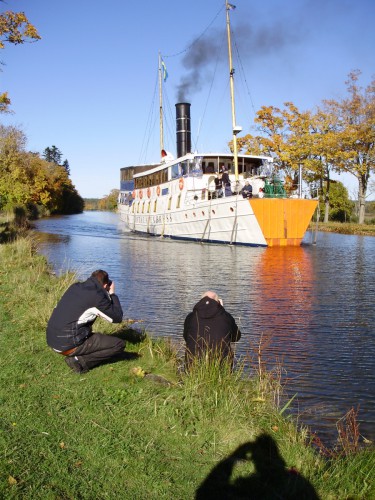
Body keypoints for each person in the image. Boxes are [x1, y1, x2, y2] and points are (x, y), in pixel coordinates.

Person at [46, 270, 125, 374]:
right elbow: (117, 317)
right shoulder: (97, 297)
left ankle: (77, 352)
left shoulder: (75, 287)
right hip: (66, 344)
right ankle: (79, 362)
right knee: (119, 344)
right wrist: (112, 294)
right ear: (105, 285)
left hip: (52, 339)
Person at [183, 291, 241, 368]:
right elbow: (236, 337)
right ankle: (224, 377)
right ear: (218, 302)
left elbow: (186, 337)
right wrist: (222, 310)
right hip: (221, 367)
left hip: (192, 366)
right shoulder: (226, 317)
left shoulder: (191, 317)